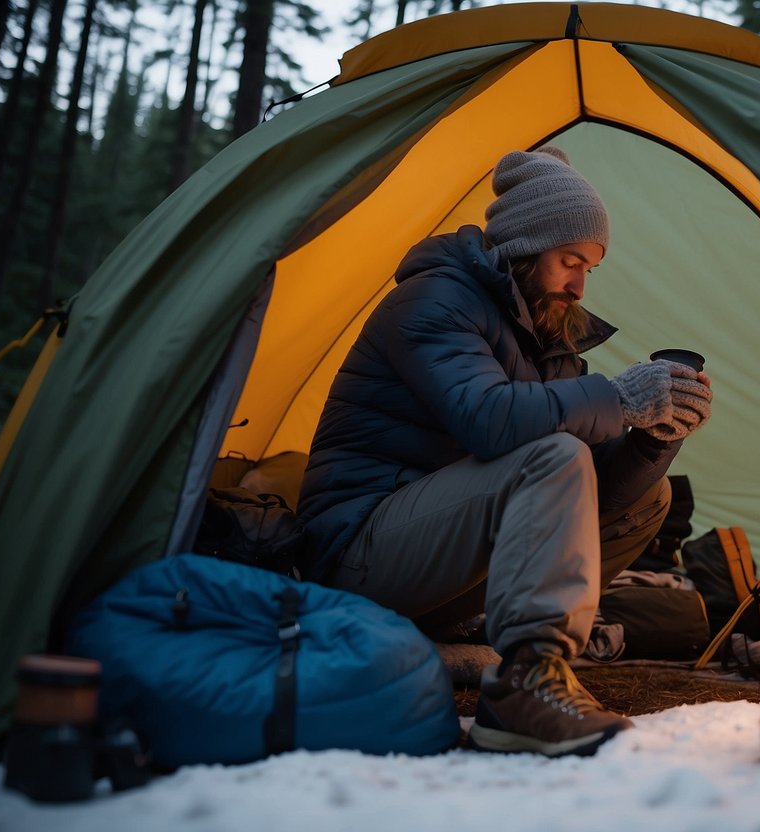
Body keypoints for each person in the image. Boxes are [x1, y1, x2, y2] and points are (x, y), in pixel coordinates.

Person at [298, 145, 713, 757]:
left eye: (589, 268)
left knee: (649, 498)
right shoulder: (434, 300)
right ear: (523, 248)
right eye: (570, 261)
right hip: (360, 553)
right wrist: (619, 400)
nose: (579, 284)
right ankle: (524, 685)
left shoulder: (545, 332)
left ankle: (532, 654)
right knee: (554, 456)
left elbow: (586, 495)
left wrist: (655, 436)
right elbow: (490, 422)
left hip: (438, 563)